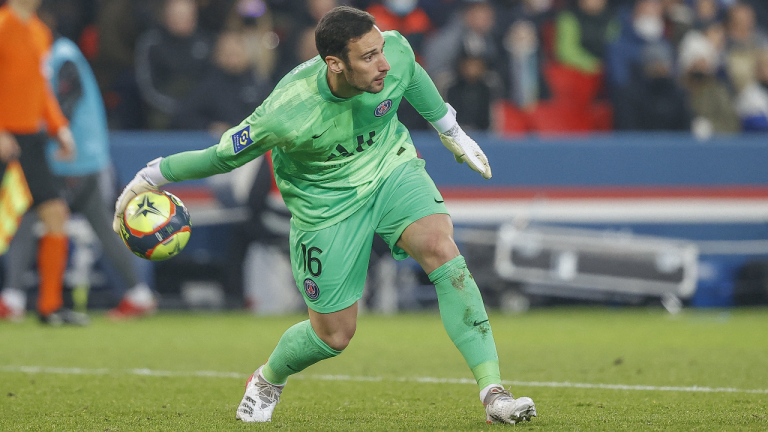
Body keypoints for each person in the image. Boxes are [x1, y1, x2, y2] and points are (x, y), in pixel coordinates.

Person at [113, 6, 536, 425]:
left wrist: (450, 129)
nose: (383, 63)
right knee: (334, 335)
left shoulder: (394, 53)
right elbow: (220, 157)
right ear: (334, 63)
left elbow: (413, 76)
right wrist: (148, 177)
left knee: (440, 247)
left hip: (390, 169)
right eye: (368, 57)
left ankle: (493, 392)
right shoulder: (287, 110)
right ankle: (268, 379)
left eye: (380, 49)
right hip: (326, 207)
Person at [1, 33, 158, 322]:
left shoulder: (62, 56)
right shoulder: (58, 56)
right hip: (80, 158)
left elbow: (64, 101)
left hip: (72, 160)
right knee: (97, 223)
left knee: (30, 217)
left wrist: (34, 130)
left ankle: (13, 297)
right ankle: (139, 294)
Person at [0, 0, 88, 325]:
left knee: (55, 212)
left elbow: (41, 90)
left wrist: (59, 127)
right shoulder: (4, 26)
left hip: (28, 139)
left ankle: (49, 306)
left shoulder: (38, 31)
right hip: (6, 134)